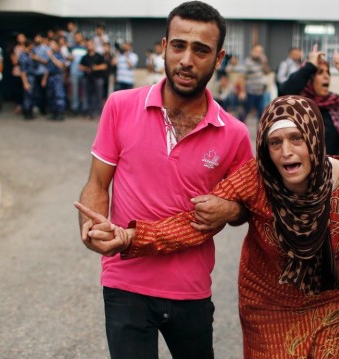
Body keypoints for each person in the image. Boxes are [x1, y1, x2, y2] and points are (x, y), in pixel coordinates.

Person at [77, 95, 339, 358]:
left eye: (296, 139)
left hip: (330, 304)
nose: (286, 151)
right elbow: (195, 223)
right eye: (275, 142)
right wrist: (129, 236)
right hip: (267, 306)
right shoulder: (255, 178)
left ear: (313, 139)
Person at [76, 2, 253, 358]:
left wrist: (231, 209)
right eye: (178, 46)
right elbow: (98, 184)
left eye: (200, 50)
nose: (187, 59)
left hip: (190, 288)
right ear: (164, 47)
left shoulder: (234, 134)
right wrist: (92, 228)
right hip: (124, 280)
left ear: (218, 60)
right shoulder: (120, 105)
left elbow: (247, 208)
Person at [279, 45, 339, 156]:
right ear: (309, 79)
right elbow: (284, 92)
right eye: (320, 72)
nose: (326, 77)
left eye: (327, 72)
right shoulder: (297, 106)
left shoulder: (337, 106)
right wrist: (310, 66)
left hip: (331, 171)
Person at [241, 44, 271, 122]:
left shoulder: (261, 61)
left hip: (260, 92)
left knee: (261, 113)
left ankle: (260, 132)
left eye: (260, 51)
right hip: (250, 91)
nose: (259, 53)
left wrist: (264, 63)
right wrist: (243, 91)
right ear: (252, 51)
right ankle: (240, 130)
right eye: (257, 51)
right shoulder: (247, 62)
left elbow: (267, 72)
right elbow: (242, 78)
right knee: (245, 112)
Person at [79, 39, 107, 119]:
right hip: (87, 79)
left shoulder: (99, 56)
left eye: (90, 44)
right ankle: (89, 113)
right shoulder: (85, 57)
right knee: (88, 96)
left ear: (93, 45)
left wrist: (96, 68)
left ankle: (99, 113)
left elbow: (104, 66)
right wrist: (86, 68)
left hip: (98, 79)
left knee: (99, 96)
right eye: (87, 45)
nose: (89, 46)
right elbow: (80, 66)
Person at [44, 39, 67, 121]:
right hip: (50, 77)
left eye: (53, 44)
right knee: (51, 95)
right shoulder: (49, 55)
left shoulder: (59, 55)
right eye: (50, 45)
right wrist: (44, 79)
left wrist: (51, 56)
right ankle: (54, 112)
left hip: (57, 77)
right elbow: (47, 68)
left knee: (59, 95)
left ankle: (60, 112)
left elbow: (60, 65)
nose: (51, 46)